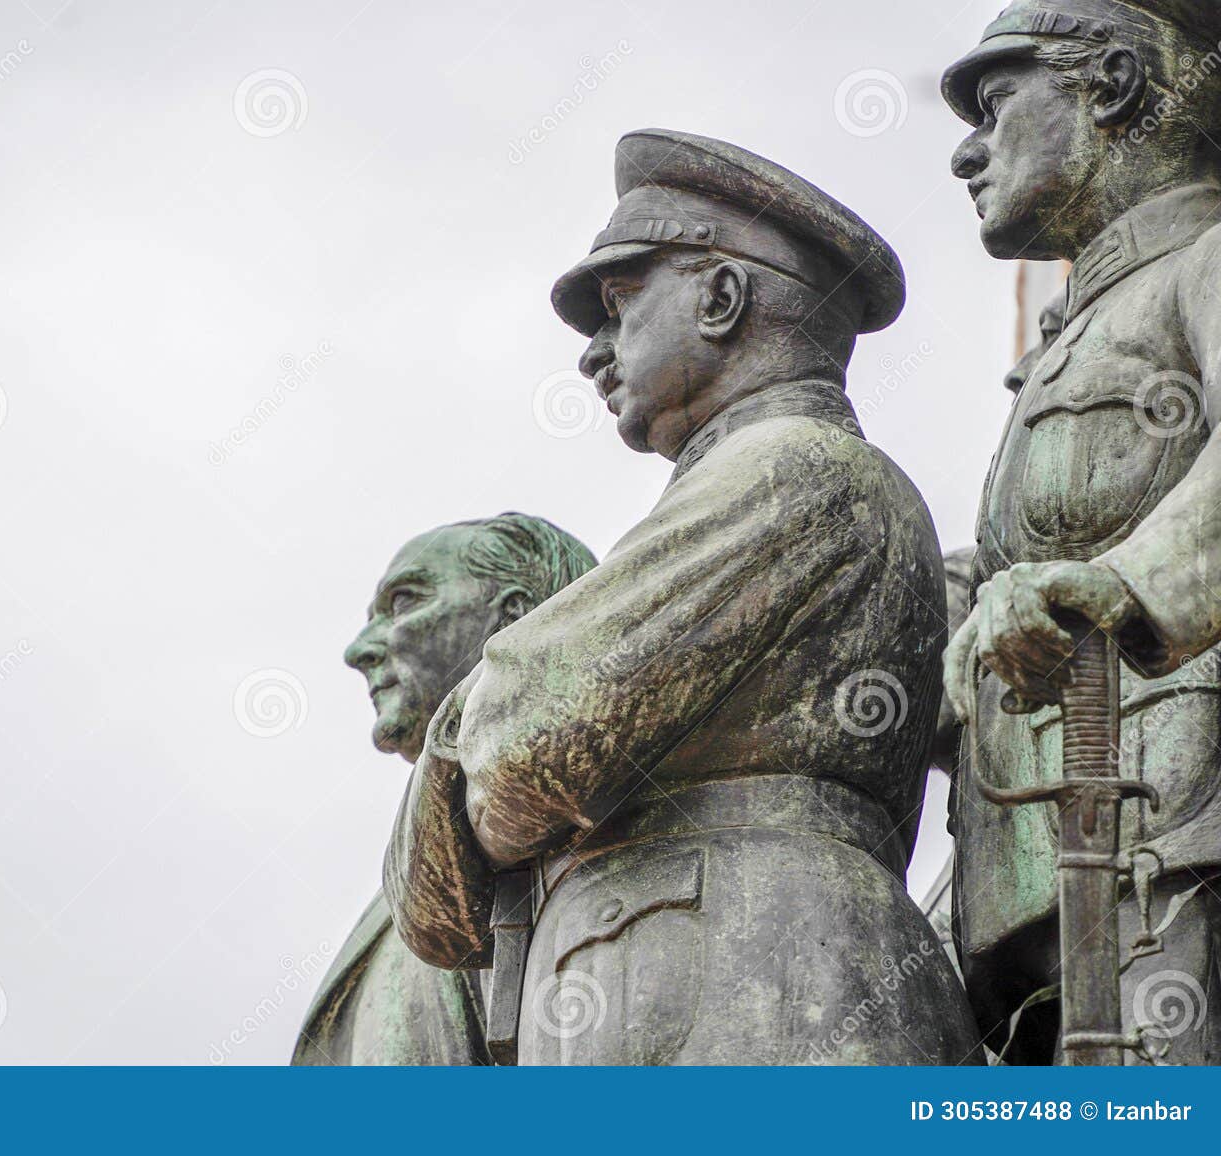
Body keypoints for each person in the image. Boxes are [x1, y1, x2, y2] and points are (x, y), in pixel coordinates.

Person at [384, 130, 981, 1064]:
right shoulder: (748, 475)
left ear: (721, 296)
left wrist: (465, 730)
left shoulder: (796, 469)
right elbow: (441, 913)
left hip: (772, 1012)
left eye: (619, 306)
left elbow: (530, 740)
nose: (594, 353)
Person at [942, 0, 1221, 1062]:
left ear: (1106, 85)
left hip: (1173, 830)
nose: (969, 149)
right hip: (1033, 872)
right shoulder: (1074, 335)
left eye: (995, 98)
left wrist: (1122, 582)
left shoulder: (1201, 266)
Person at [291, 514, 596, 1064]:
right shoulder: (419, 876)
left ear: (516, 616)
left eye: (405, 602)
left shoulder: (589, 831)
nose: (359, 649)